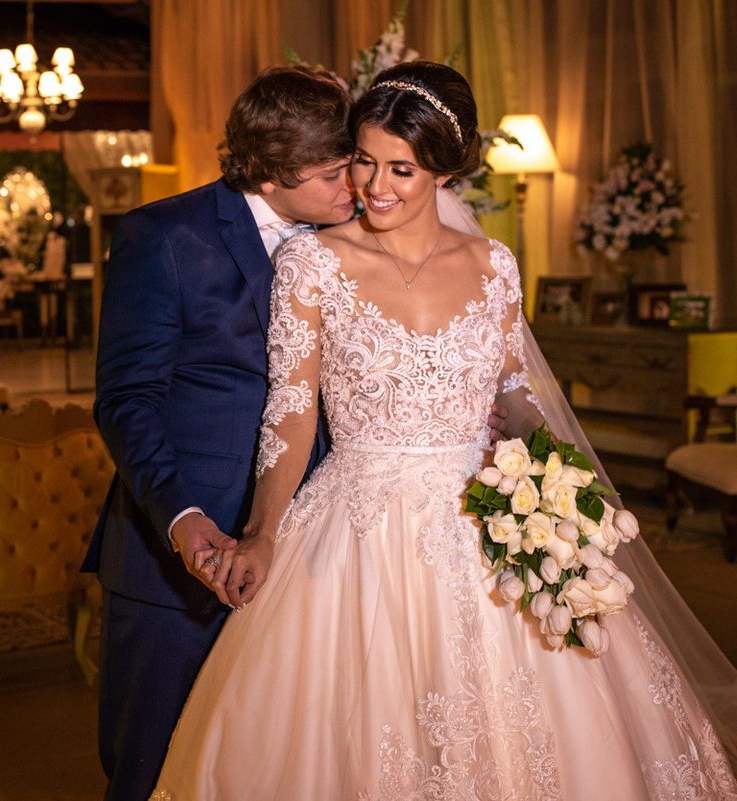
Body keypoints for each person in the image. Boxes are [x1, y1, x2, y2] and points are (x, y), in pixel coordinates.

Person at [151, 61, 737, 800]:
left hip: (483, 519)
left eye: (402, 167)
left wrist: (545, 475)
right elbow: (290, 416)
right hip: (354, 525)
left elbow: (517, 393)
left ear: (444, 170)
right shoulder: (312, 263)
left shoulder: (493, 265)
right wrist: (264, 530)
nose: (376, 185)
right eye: (363, 161)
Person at [83, 65, 358, 801]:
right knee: (152, 765)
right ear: (273, 175)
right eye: (335, 173)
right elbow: (126, 399)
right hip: (176, 555)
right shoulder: (163, 236)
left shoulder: (354, 242)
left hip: (312, 548)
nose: (353, 188)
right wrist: (182, 518)